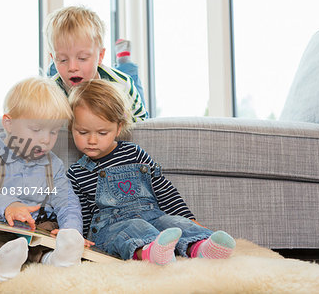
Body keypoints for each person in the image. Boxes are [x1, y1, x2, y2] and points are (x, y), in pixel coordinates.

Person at [67, 79, 236, 265]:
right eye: (83, 132)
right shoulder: (77, 173)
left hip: (153, 215)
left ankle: (201, 247)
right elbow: (76, 211)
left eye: (102, 133)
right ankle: (149, 252)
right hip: (110, 228)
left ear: (118, 128)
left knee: (174, 224)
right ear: (71, 128)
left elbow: (163, 188)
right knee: (136, 227)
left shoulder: (135, 153)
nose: (92, 140)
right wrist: (77, 237)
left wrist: (188, 218)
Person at [0, 76, 86, 281]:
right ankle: (1, 261)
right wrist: (7, 205)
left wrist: (71, 229)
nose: (46, 139)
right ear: (9, 124)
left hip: (38, 228)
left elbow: (67, 200)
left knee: (48, 236)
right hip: (0, 228)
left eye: (53, 132)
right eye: (36, 130)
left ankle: (56, 258)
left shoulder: (53, 164)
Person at [44, 5, 148, 122]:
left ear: (100, 56)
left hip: (116, 81)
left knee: (130, 73)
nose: (72, 67)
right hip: (59, 80)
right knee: (53, 73)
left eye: (82, 58)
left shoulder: (122, 84)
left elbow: (142, 122)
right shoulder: (51, 93)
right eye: (63, 59)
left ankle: (123, 59)